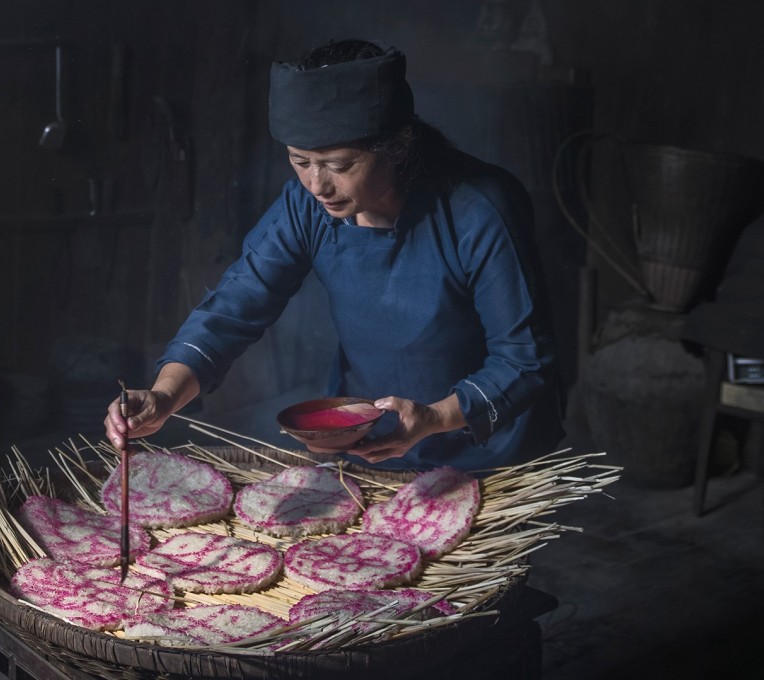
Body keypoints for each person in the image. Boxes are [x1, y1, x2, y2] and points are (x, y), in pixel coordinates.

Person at [106, 38, 564, 471]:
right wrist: (165, 395)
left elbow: (522, 359)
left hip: (485, 454)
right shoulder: (307, 207)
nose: (317, 185)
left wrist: (436, 417)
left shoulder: (478, 209)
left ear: (398, 147)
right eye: (300, 161)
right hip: (371, 446)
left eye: (338, 165)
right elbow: (234, 307)